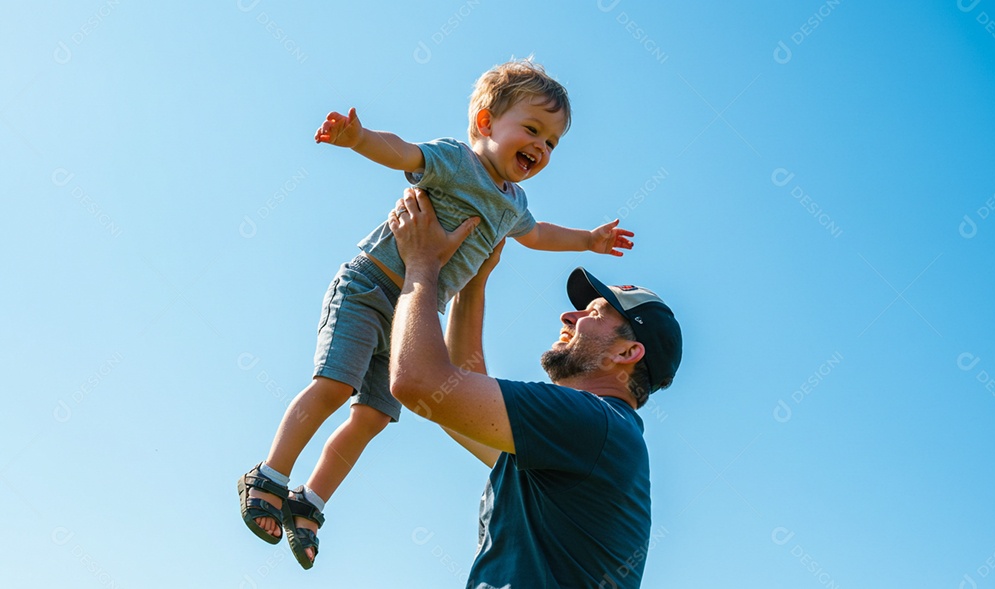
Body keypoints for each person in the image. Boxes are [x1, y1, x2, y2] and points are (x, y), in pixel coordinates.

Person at [237, 58, 634, 569]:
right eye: (532, 129)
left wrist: (589, 240)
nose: (541, 147)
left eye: (553, 142)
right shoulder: (455, 160)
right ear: (487, 123)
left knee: (374, 415)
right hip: (371, 285)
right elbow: (403, 150)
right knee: (335, 386)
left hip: (409, 314)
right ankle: (270, 473)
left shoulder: (515, 203)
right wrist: (358, 139)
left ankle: (308, 501)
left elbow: (538, 235)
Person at [387, 189, 682, 588]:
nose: (568, 315)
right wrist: (474, 278)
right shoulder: (587, 437)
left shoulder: (592, 422)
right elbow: (455, 402)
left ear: (629, 352)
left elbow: (419, 382)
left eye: (593, 313)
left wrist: (421, 264)